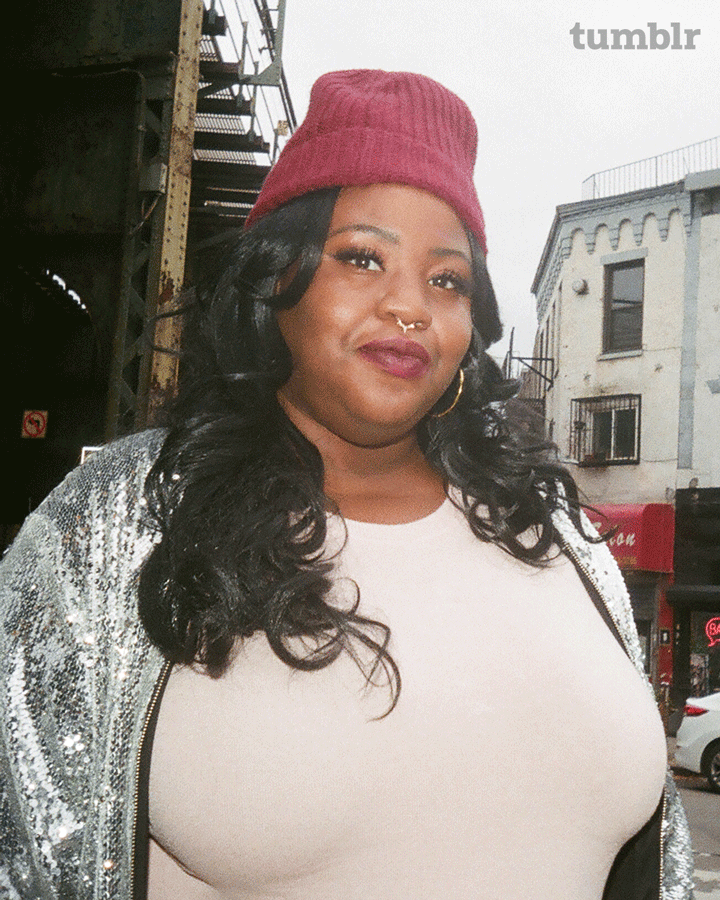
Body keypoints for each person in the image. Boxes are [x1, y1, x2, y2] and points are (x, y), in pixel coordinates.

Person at [0, 69, 694, 900]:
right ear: (276, 281)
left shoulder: (552, 530)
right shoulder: (118, 520)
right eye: (363, 258)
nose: (411, 306)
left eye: (447, 279)